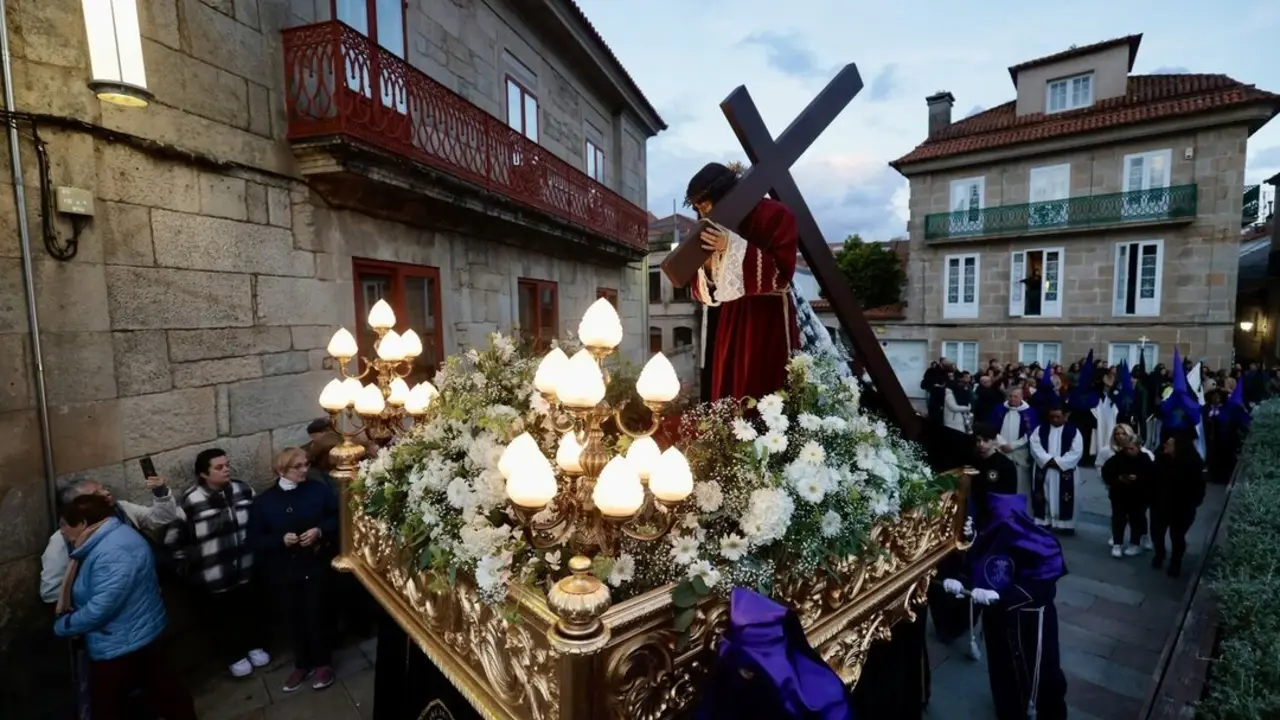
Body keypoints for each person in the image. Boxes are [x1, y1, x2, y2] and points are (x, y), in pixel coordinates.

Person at [53, 494, 197, 720]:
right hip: (134, 633)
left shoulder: (112, 551)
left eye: (64, 525)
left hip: (121, 641)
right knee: (163, 688)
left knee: (110, 704)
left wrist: (65, 625)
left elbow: (103, 606)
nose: (62, 531)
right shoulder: (111, 537)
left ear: (82, 524)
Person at [942, 493, 1068, 720]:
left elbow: (1043, 585)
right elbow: (976, 567)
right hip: (997, 622)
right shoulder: (989, 540)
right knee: (1002, 671)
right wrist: (961, 582)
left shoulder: (1040, 544)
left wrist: (1003, 595)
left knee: (1043, 674)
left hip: (1030, 624)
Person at [685, 162, 801, 402]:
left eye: (704, 205)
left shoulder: (776, 215)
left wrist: (730, 246)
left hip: (767, 317)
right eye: (698, 209)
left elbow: (781, 276)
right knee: (729, 385)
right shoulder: (710, 226)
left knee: (763, 387)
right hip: (730, 316)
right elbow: (707, 291)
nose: (703, 214)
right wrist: (708, 265)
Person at [165, 448, 270, 677]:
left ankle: (254, 645)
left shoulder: (243, 490)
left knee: (250, 609)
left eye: (227, 465)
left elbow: (260, 521)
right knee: (222, 618)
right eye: (219, 467)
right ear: (204, 474)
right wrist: (190, 567)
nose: (226, 470)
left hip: (245, 567)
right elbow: (174, 539)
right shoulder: (191, 500)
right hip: (214, 574)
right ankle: (234, 655)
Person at [250, 447, 341, 692]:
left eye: (306, 464)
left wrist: (319, 531)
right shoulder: (264, 502)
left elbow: (336, 516)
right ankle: (302, 663)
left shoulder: (318, 490)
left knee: (317, 615)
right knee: (293, 618)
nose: (304, 470)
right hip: (284, 571)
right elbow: (255, 539)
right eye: (297, 466)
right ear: (281, 470)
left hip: (315, 564)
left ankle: (323, 663)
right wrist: (281, 540)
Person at [40, 475, 183, 604]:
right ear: (78, 505)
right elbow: (51, 592)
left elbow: (160, 518)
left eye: (103, 489)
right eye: (96, 494)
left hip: (149, 596)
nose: (106, 493)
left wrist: (161, 494)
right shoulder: (62, 538)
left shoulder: (122, 510)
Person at [1150, 432, 1206, 577]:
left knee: (1177, 536)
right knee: (1157, 532)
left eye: (1169, 444)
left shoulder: (1192, 465)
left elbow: (1198, 488)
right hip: (1160, 504)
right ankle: (1159, 554)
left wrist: (1192, 503)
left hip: (1182, 508)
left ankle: (1176, 562)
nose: (1165, 445)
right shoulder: (1161, 460)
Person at [1099, 425, 1154, 558]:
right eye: (1126, 448)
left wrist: (1138, 478)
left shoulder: (1145, 459)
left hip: (1139, 496)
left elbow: (1152, 476)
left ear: (1138, 447)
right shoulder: (1116, 459)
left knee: (1137, 519)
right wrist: (1118, 479)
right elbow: (1106, 473)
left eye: (1132, 448)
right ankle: (1117, 543)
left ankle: (1134, 543)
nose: (1129, 451)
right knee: (1118, 519)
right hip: (1119, 495)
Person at [1029, 405, 1083, 533]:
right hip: (1045, 469)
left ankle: (1066, 524)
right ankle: (1044, 521)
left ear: (1065, 416)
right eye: (1052, 416)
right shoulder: (1040, 429)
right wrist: (1047, 460)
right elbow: (1035, 446)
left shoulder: (1073, 431)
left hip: (1064, 471)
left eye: (1058, 417)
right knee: (1043, 494)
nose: (1054, 419)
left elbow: (1076, 451)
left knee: (1066, 496)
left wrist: (1059, 462)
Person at [990, 387, 1037, 497]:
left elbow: (1031, 433)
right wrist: (1001, 443)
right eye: (1010, 396)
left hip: (1019, 452)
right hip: (1000, 449)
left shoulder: (1029, 412)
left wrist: (1013, 445)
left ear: (1021, 397)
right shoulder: (999, 409)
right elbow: (992, 429)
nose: (1012, 399)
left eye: (1016, 396)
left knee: (1020, 482)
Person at [971, 424, 1019, 529]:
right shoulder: (973, 461)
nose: (981, 444)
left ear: (994, 441)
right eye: (978, 441)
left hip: (996, 513)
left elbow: (1010, 495)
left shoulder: (1006, 464)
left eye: (985, 440)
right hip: (975, 511)